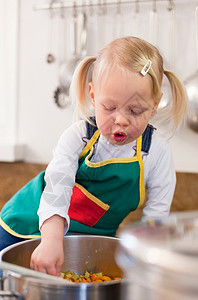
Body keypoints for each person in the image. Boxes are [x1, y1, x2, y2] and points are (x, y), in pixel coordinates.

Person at [0, 36, 187, 276]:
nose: (121, 119)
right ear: (93, 95)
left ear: (155, 104)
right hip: (28, 225)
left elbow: (156, 219)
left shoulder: (157, 153)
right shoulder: (78, 137)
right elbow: (58, 189)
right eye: (109, 108)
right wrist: (51, 240)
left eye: (135, 110)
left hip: (88, 239)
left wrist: (146, 262)